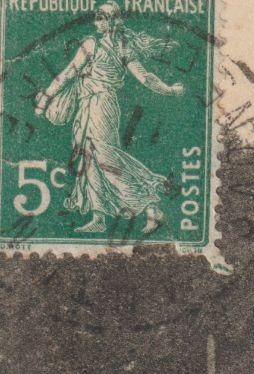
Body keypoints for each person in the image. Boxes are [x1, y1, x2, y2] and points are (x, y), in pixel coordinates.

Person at [30, 2, 186, 236]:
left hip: (100, 105)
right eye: (97, 17)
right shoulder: (116, 46)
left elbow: (144, 77)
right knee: (89, 158)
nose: (96, 22)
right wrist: (170, 89)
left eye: (102, 18)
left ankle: (149, 205)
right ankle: (100, 216)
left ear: (114, 20)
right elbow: (70, 73)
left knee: (103, 157)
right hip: (90, 105)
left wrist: (170, 90)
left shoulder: (101, 45)